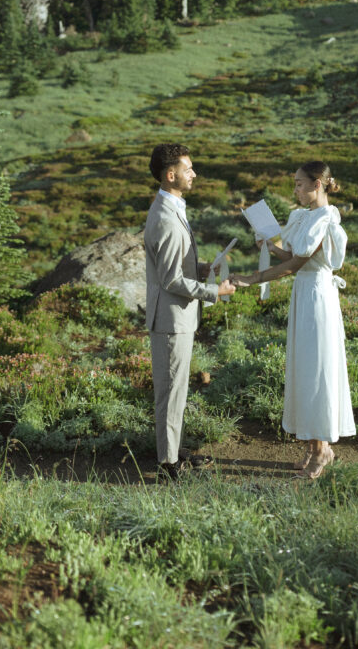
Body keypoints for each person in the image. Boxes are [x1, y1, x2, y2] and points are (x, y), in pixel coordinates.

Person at [232, 161, 355, 479]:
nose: (296, 190)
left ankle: (320, 449)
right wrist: (271, 248)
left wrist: (250, 279)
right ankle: (317, 446)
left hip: (317, 299)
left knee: (316, 369)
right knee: (305, 367)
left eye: (300, 184)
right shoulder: (305, 217)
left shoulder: (324, 217)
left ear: (318, 184)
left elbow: (296, 265)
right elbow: (296, 257)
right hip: (306, 295)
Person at [144, 142, 236, 480]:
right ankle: (169, 464)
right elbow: (169, 280)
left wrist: (197, 267)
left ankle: (172, 449)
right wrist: (214, 290)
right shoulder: (166, 217)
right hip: (171, 318)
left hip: (176, 316)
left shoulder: (172, 206)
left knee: (176, 389)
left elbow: (170, 267)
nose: (194, 174)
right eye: (188, 169)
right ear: (171, 175)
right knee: (170, 393)